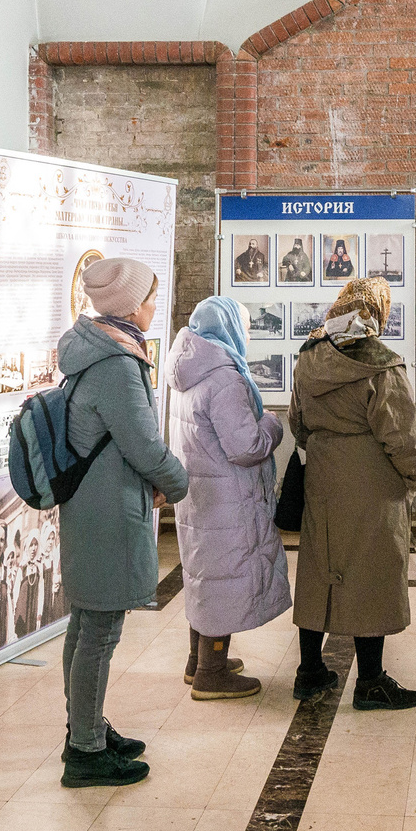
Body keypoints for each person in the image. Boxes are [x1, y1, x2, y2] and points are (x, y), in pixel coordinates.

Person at [56, 255, 191, 785]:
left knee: (87, 623)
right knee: (99, 630)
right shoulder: (115, 362)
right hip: (107, 508)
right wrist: (181, 485)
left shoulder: (94, 347)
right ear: (132, 304)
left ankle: (83, 728)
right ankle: (85, 752)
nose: (156, 307)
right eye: (152, 297)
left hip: (94, 502)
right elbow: (145, 445)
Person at [290, 274, 416, 708]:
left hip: (324, 477)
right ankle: (371, 682)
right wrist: (414, 476)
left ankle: (309, 670)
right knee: (374, 571)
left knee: (319, 568)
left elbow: (298, 423)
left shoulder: (310, 355)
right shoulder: (381, 364)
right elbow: (403, 435)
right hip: (373, 482)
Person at [170, 296, 287, 700]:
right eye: (247, 325)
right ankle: (211, 673)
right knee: (225, 578)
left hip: (199, 494)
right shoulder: (224, 378)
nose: (250, 334)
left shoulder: (188, 370)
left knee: (206, 575)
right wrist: (272, 424)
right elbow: (246, 445)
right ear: (228, 329)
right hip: (227, 498)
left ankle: (196, 661)